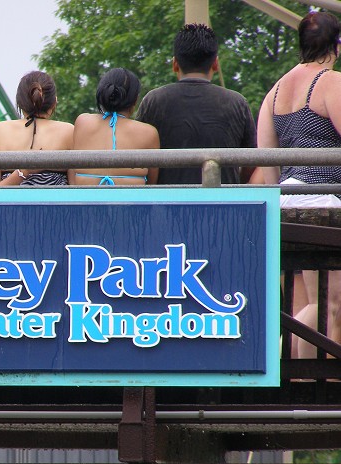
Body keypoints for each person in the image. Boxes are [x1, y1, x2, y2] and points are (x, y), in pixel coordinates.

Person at [256, 11, 341, 357]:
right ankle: (296, 376)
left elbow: (265, 161)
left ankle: (300, 388)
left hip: (287, 204)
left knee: (304, 310)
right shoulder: (331, 82)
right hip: (324, 204)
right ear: (337, 44)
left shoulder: (275, 91)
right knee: (333, 306)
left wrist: (285, 196)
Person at [136, 23, 256, 184]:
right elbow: (252, 161)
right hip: (222, 204)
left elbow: (137, 157)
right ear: (215, 63)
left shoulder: (153, 101)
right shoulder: (237, 103)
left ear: (175, 64)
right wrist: (236, 184)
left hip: (166, 205)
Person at [70, 68, 160, 186]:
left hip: (85, 203)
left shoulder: (83, 122)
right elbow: (152, 184)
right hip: (132, 203)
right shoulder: (148, 133)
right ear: (135, 100)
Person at [0, 71, 74, 186]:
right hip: (55, 203)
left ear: (19, 101)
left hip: (10, 203)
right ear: (54, 102)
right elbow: (75, 188)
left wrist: (22, 172)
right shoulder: (68, 131)